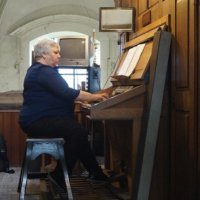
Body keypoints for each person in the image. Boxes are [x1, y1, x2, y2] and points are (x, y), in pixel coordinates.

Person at [19, 38, 109, 189]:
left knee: (79, 134)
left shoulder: (40, 71)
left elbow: (57, 95)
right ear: (43, 55)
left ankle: (96, 173)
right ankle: (59, 176)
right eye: (55, 52)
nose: (59, 55)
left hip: (38, 119)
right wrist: (96, 97)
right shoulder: (43, 72)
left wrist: (82, 100)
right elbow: (67, 92)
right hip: (37, 121)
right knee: (78, 132)